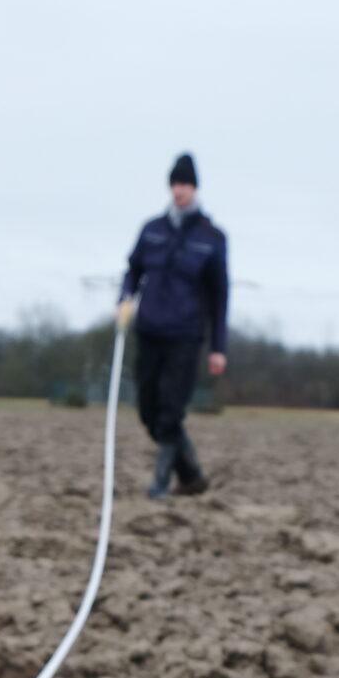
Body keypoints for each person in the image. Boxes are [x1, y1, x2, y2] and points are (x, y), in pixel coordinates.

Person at [118, 153, 229, 500]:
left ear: (194, 187)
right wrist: (125, 298)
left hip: (185, 335)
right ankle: (192, 474)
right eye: (174, 183)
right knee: (149, 413)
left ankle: (160, 485)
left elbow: (219, 296)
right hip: (149, 330)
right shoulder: (151, 230)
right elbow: (133, 270)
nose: (179, 190)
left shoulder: (212, 237)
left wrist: (218, 347)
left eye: (185, 184)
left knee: (170, 412)